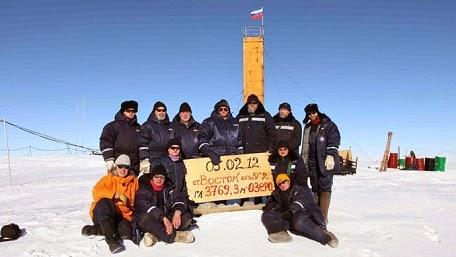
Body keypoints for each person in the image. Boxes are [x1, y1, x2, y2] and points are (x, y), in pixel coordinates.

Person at [261, 173, 338, 247]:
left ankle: (326, 237)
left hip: (306, 215)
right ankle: (281, 234)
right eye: (279, 184)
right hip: (290, 216)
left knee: (299, 222)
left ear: (288, 181)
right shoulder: (278, 193)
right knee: (266, 215)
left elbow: (301, 201)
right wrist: (269, 207)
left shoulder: (299, 189)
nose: (282, 185)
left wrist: (291, 211)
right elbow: (272, 202)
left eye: (284, 182)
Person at [81, 155, 139, 254]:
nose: (123, 169)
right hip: (102, 213)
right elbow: (96, 192)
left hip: (121, 216)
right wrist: (116, 195)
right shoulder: (107, 179)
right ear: (115, 167)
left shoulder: (134, 182)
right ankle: (111, 240)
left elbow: (137, 200)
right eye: (120, 166)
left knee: (127, 232)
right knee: (105, 201)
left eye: (126, 167)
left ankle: (96, 230)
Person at [134, 165, 194, 246]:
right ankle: (175, 236)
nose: (159, 179)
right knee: (144, 218)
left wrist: (177, 212)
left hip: (167, 218)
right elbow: (143, 205)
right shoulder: (144, 188)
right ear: (152, 177)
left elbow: (179, 198)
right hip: (152, 219)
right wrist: (163, 218)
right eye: (156, 177)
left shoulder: (169, 187)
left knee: (186, 216)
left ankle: (155, 236)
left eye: (162, 177)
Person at [301, 103, 340, 224]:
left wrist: (330, 154)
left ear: (318, 112)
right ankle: (316, 214)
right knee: (315, 187)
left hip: (325, 160)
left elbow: (334, 139)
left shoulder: (328, 125)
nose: (312, 115)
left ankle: (323, 217)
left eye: (314, 112)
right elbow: (305, 147)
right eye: (309, 113)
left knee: (325, 186)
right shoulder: (307, 127)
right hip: (312, 161)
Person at [237, 94, 276, 205]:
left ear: (258, 104)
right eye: (250, 103)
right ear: (247, 104)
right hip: (244, 153)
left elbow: (272, 134)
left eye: (254, 103)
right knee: (244, 177)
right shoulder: (241, 116)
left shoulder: (265, 116)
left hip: (260, 153)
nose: (252, 105)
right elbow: (234, 132)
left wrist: (270, 149)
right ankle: (243, 200)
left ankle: (258, 200)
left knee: (258, 177)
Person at [100, 100, 141, 176]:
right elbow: (105, 142)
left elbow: (142, 144)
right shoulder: (112, 126)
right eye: (129, 111)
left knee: (132, 187)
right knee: (115, 186)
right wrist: (109, 159)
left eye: (134, 111)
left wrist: (142, 160)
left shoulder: (139, 128)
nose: (131, 112)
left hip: (133, 166)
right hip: (118, 165)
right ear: (123, 111)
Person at [138, 101, 179, 174]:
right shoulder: (147, 126)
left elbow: (177, 142)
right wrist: (144, 159)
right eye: (159, 110)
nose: (161, 112)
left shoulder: (172, 126)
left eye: (163, 110)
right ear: (154, 112)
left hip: (169, 159)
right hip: (153, 159)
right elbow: (143, 144)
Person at [198, 99, 242, 164]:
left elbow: (240, 140)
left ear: (229, 110)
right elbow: (202, 138)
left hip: (233, 159)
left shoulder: (236, 123)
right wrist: (209, 152)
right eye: (221, 109)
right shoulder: (209, 122)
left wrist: (241, 151)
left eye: (225, 109)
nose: (223, 111)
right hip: (215, 158)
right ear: (217, 111)